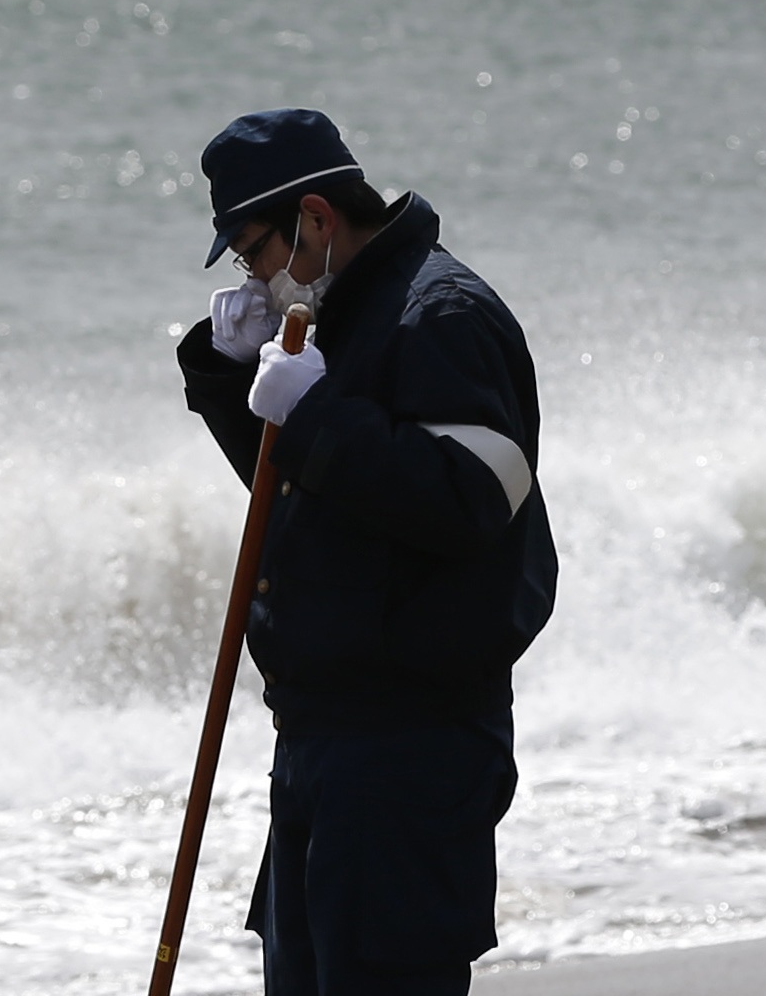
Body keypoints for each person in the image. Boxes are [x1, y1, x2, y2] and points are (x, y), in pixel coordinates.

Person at [174, 107, 559, 996]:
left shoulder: (442, 314)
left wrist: (311, 413)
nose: (256, 274)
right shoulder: (331, 314)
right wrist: (230, 377)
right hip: (320, 737)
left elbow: (473, 498)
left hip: (408, 745)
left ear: (313, 220)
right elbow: (303, 501)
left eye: (254, 249)